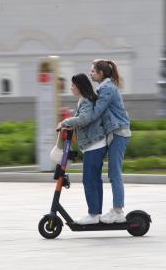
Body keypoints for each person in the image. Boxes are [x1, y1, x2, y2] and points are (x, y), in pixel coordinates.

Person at [61, 59, 131, 224]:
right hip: (113, 132)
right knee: (108, 174)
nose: (90, 73)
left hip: (118, 131)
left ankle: (118, 211)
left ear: (101, 73)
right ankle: (107, 211)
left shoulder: (107, 89)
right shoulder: (103, 88)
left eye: (93, 71)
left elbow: (93, 114)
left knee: (114, 173)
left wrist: (70, 120)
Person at [59, 74, 107, 225]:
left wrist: (65, 122)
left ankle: (93, 215)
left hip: (94, 145)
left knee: (89, 181)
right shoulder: (84, 100)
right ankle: (96, 213)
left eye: (73, 85)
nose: (71, 88)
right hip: (96, 145)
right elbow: (83, 121)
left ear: (79, 86)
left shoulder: (86, 100)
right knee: (95, 181)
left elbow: (84, 119)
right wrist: (72, 124)